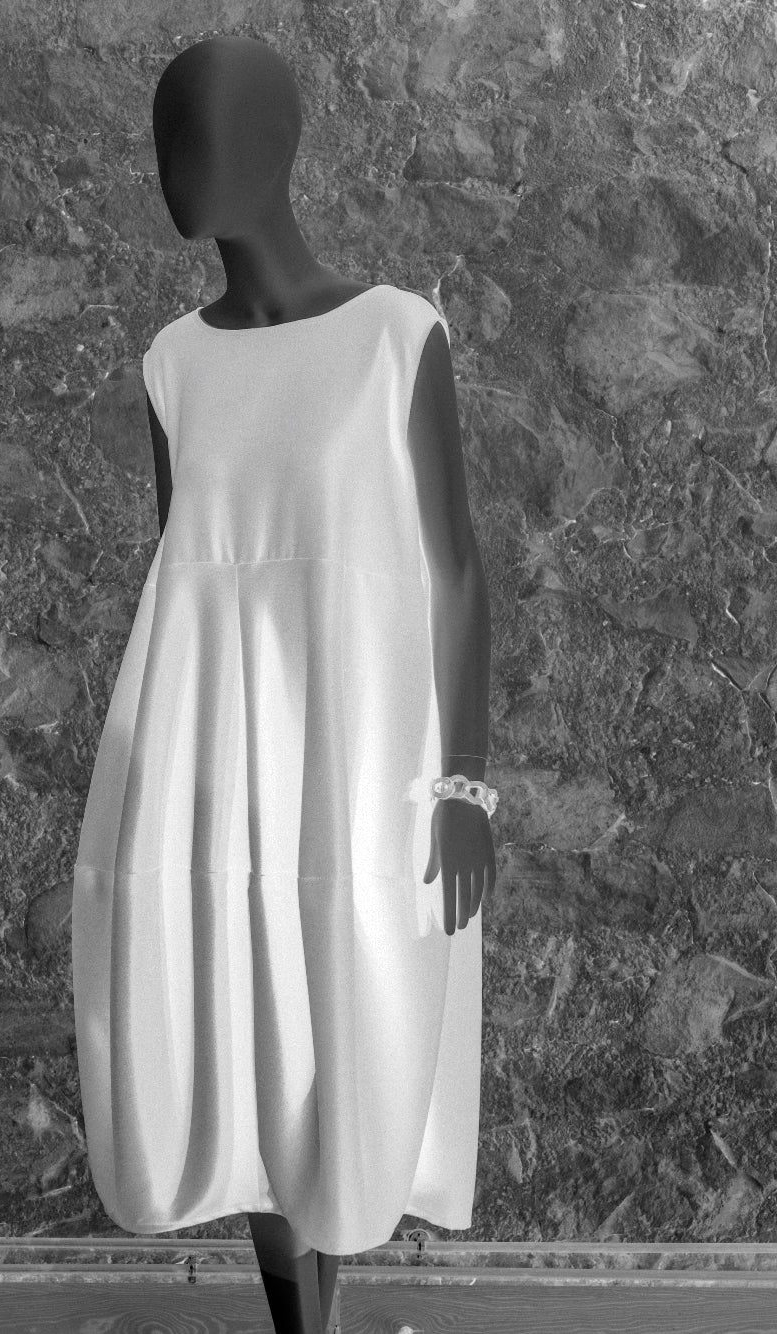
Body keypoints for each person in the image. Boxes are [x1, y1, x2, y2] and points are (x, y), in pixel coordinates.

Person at [72, 33, 496, 1334]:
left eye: (201, 135)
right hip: (210, 758)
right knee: (250, 1040)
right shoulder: (173, 364)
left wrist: (466, 787)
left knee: (345, 1030)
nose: (175, 167)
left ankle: (328, 1305)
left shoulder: (394, 337)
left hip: (360, 756)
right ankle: (296, 1323)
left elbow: (455, 573)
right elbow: (184, 576)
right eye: (165, 139)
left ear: (275, 146)